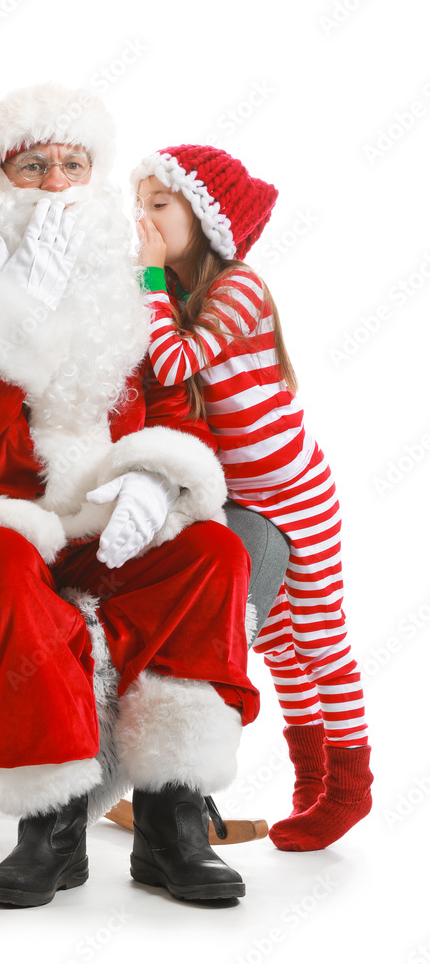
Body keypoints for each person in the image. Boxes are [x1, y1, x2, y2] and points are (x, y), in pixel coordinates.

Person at [0, 83, 260, 907]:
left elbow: (167, 407)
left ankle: (171, 820)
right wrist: (11, 306)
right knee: (1, 567)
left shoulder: (129, 287)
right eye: (33, 165)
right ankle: (47, 828)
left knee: (213, 550)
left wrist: (157, 476)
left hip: (101, 514)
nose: (56, 185)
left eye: (73, 165)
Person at [133, 144, 373, 851]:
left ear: (202, 220)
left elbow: (171, 361)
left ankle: (351, 786)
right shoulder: (167, 294)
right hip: (245, 501)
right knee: (271, 640)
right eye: (136, 206)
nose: (140, 221)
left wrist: (145, 273)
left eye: (157, 205)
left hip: (293, 489)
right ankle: (309, 775)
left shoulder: (237, 287)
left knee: (318, 633)